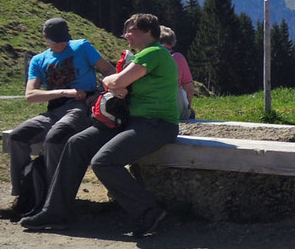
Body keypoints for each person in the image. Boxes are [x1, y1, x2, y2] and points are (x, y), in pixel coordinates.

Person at [20, 13, 180, 236]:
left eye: (130, 31)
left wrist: (111, 82)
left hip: (156, 124)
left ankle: (148, 210)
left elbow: (117, 80)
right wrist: (113, 84)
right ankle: (54, 211)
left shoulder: (154, 53)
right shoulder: (141, 55)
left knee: (104, 162)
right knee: (76, 143)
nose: (126, 35)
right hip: (131, 122)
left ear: (147, 31)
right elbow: (116, 82)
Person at [0, 17, 115, 222]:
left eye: (64, 39)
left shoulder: (82, 47)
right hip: (54, 111)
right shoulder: (39, 60)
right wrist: (65, 92)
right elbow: (30, 96)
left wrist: (97, 94)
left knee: (55, 138)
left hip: (81, 108)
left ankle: (51, 202)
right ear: (45, 38)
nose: (61, 43)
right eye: (56, 40)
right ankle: (23, 195)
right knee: (16, 137)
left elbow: (110, 72)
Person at [159, 26, 195, 120]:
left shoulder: (147, 55)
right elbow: (189, 89)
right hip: (171, 108)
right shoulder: (178, 57)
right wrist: (188, 108)